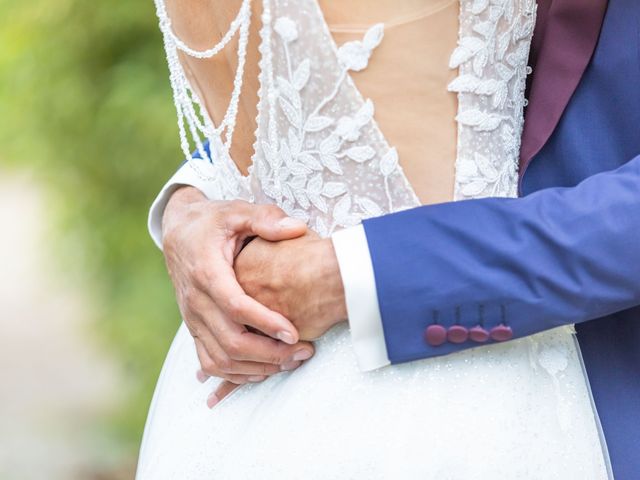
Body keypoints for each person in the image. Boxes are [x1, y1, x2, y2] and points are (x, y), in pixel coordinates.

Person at [137, 0, 640, 478]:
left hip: (551, 363)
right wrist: (194, 202)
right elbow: (316, 63)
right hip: (277, 394)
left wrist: (354, 273)